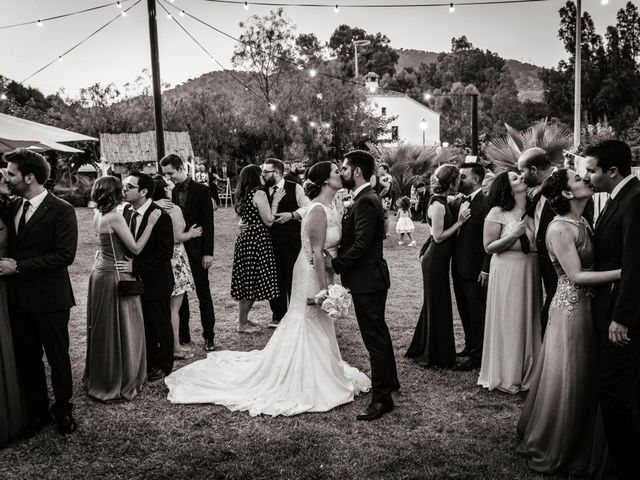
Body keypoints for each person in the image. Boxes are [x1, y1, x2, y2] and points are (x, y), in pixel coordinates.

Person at [164, 161, 370, 415]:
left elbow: (329, 250)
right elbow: (316, 252)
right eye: (337, 172)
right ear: (326, 180)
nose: (342, 174)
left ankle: (321, 368)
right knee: (307, 317)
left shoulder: (329, 206)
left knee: (319, 321)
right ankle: (302, 376)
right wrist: (326, 290)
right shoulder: (317, 209)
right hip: (311, 273)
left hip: (323, 272)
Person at [517, 169, 614, 478]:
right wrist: (625, 273)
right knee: (571, 375)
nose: (586, 178)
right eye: (577, 178)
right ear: (569, 194)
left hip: (590, 307)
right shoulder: (560, 228)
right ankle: (562, 442)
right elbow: (576, 276)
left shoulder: (583, 221)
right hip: (571, 309)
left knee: (587, 373)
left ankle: (584, 436)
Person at [0, 149, 78, 436]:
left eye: (11, 173)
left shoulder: (62, 210)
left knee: (58, 357)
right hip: (19, 299)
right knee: (27, 357)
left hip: (51, 299)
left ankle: (64, 410)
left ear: (29, 177)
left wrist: (18, 266)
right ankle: (38, 412)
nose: (7, 177)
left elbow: (64, 256)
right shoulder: (12, 207)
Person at [584, 139, 640, 479]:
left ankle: (626, 466)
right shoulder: (617, 198)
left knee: (616, 390)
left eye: (592, 170)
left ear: (612, 171)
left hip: (623, 315)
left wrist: (622, 317)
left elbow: (635, 263)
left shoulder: (634, 201)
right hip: (609, 308)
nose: (588, 176)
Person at [330, 150, 399, 421]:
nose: (342, 173)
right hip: (366, 278)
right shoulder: (360, 199)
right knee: (379, 333)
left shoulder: (367, 201)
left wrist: (336, 265)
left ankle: (382, 400)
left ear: (356, 171)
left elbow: (362, 244)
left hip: (368, 280)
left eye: (344, 169)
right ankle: (390, 381)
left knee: (375, 340)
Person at [85, 176, 159, 402]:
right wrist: (151, 223)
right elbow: (135, 248)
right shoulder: (115, 217)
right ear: (115, 193)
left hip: (99, 274)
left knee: (104, 328)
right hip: (116, 276)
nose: (125, 190)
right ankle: (122, 376)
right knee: (125, 326)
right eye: (122, 188)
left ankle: (102, 374)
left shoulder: (98, 214)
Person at [477, 170, 542, 394]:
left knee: (529, 316)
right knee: (510, 318)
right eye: (515, 178)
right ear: (507, 187)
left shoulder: (536, 208)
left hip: (531, 268)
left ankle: (530, 371)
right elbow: (488, 247)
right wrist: (514, 235)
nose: (521, 178)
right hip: (506, 268)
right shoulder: (498, 212)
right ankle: (507, 373)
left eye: (519, 175)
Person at [406, 165, 470, 369]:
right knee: (437, 303)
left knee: (436, 303)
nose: (460, 182)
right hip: (434, 261)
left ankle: (427, 347)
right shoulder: (438, 206)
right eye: (458, 180)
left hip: (439, 260)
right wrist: (459, 222)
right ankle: (434, 354)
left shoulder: (442, 201)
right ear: (451, 183)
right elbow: (438, 236)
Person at [122, 172, 175, 382]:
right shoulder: (126, 211)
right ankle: (149, 360)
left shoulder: (160, 216)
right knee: (144, 323)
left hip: (156, 280)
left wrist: (136, 266)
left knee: (160, 323)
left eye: (129, 186)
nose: (124, 189)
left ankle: (164, 364)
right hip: (133, 282)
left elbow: (165, 254)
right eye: (124, 185)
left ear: (143, 191)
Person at [160, 154, 216, 352]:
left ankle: (209, 336)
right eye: (165, 174)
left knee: (203, 293)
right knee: (179, 294)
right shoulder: (167, 193)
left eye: (171, 173)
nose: (168, 178)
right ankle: (183, 335)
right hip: (176, 253)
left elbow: (208, 224)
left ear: (181, 167)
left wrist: (207, 253)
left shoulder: (202, 191)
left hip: (197, 249)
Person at [151, 175, 200, 360]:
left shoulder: (146, 208)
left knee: (158, 307)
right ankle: (176, 348)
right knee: (173, 309)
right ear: (164, 190)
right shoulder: (173, 209)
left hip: (155, 259)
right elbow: (177, 237)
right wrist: (192, 233)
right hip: (175, 259)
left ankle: (159, 346)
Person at [231, 165, 282, 333]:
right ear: (255, 176)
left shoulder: (242, 194)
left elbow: (245, 218)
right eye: (261, 173)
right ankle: (242, 324)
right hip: (257, 240)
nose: (264, 176)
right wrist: (275, 202)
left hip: (246, 240)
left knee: (248, 281)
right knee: (252, 282)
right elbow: (268, 221)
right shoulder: (258, 193)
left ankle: (243, 319)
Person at [451, 163, 492, 371]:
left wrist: (485, 268)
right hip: (458, 265)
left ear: (476, 180)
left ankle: (478, 355)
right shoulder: (459, 201)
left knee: (477, 312)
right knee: (464, 309)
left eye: (463, 176)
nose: (459, 180)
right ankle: (469, 346)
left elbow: (489, 242)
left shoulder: (485, 205)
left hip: (475, 268)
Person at [261, 158, 310, 328]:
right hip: (268, 241)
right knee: (274, 277)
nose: (263, 174)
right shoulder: (262, 190)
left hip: (291, 240)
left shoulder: (294, 187)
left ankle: (296, 313)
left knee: (292, 276)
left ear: (277, 172)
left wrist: (292, 214)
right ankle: (278, 315)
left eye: (266, 171)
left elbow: (307, 206)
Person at [0, 168, 27, 445]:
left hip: (10, 288)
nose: (6, 180)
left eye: (8, 175)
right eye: (2, 178)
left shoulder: (10, 206)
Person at [376, 163, 393, 238]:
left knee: (385, 215)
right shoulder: (379, 177)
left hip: (386, 198)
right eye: (379, 168)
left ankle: (387, 232)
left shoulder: (388, 177)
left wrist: (380, 180)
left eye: (381, 169)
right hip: (379, 197)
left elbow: (387, 188)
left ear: (386, 170)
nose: (380, 170)